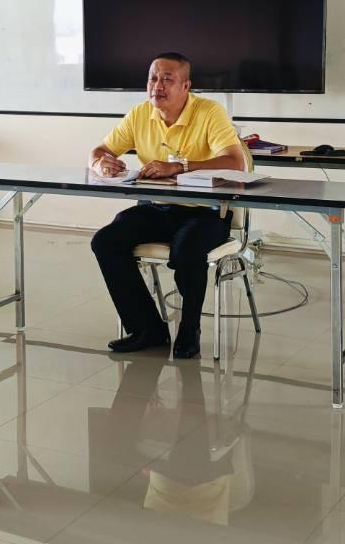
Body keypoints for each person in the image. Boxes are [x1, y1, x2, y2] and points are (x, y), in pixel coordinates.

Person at [89, 53, 246, 359]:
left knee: (187, 250)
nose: (157, 86)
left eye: (167, 79)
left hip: (205, 212)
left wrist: (180, 167)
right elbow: (99, 150)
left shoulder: (209, 112)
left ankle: (189, 329)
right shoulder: (140, 114)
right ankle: (148, 328)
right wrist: (100, 163)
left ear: (186, 86)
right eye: (153, 78)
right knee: (105, 241)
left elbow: (235, 162)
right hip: (158, 209)